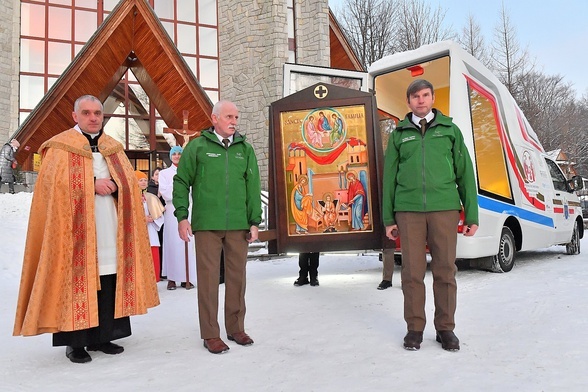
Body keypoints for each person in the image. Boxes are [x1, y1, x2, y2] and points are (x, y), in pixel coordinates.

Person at [13, 95, 159, 363]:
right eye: (87, 113)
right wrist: (90, 184)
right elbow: (52, 188)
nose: (93, 118)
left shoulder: (112, 147)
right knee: (77, 282)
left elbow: (128, 181)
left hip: (109, 227)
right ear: (75, 116)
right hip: (75, 233)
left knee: (108, 280)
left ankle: (104, 337)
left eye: (97, 113)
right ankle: (76, 344)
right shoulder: (59, 147)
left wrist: (117, 184)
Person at [382, 79, 478, 352]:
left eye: (425, 95)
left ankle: (445, 329)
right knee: (412, 272)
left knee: (445, 271)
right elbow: (389, 178)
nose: (420, 100)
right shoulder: (400, 135)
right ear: (408, 102)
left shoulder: (450, 131)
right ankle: (414, 328)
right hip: (408, 210)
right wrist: (389, 219)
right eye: (415, 96)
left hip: (444, 209)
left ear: (433, 98)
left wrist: (471, 214)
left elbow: (465, 174)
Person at [173, 100, 262, 354]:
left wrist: (254, 221)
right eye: (229, 117)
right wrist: (182, 216)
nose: (234, 121)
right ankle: (210, 333)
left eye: (236, 117)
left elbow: (253, 187)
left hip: (238, 225)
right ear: (214, 119)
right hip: (207, 225)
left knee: (237, 279)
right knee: (209, 280)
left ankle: (235, 328)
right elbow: (181, 181)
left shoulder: (244, 149)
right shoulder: (198, 147)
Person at [158, 146, 197, 290]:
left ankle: (187, 277)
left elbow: (192, 190)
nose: (176, 156)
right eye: (174, 154)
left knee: (186, 242)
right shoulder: (164, 173)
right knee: (172, 243)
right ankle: (172, 277)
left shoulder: (189, 171)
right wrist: (179, 187)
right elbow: (165, 192)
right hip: (171, 209)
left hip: (187, 208)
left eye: (179, 154)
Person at [136, 170, 165, 282]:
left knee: (153, 253)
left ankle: (153, 278)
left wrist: (153, 219)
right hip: (138, 231)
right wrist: (143, 219)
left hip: (151, 230)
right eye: (140, 180)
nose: (143, 182)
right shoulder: (131, 197)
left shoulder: (151, 197)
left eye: (145, 180)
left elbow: (159, 215)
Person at [147, 166, 165, 279]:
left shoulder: (165, 186)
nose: (158, 176)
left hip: (165, 218)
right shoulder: (150, 189)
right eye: (156, 174)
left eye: (160, 174)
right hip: (153, 221)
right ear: (153, 177)